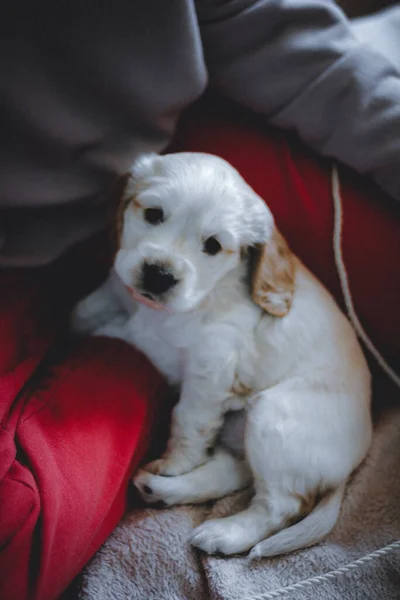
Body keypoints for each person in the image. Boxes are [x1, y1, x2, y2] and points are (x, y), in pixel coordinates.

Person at [0, 2, 399, 599]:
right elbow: (113, 300)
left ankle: (268, 511)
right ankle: (221, 475)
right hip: (38, 261)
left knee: (259, 422)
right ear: (126, 204)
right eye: (153, 215)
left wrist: (185, 450)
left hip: (303, 407)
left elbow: (211, 369)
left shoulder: (251, 266)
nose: (163, 263)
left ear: (244, 255)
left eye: (212, 246)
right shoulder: (128, 219)